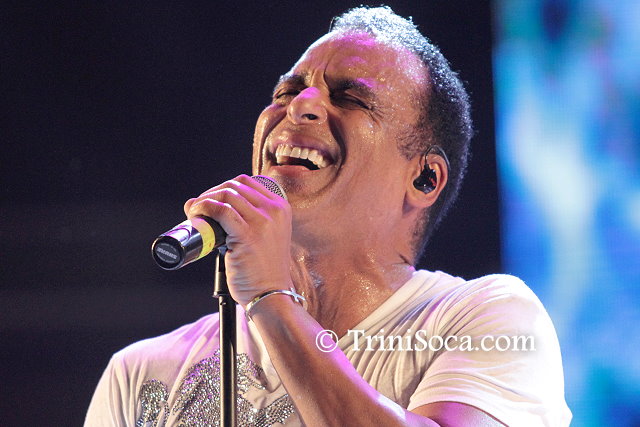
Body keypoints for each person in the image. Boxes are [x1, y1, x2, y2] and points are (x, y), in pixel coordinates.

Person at [85, 6, 571, 426]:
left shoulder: (490, 320)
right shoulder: (141, 374)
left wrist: (271, 299)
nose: (301, 106)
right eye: (286, 92)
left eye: (351, 98)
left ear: (424, 178)